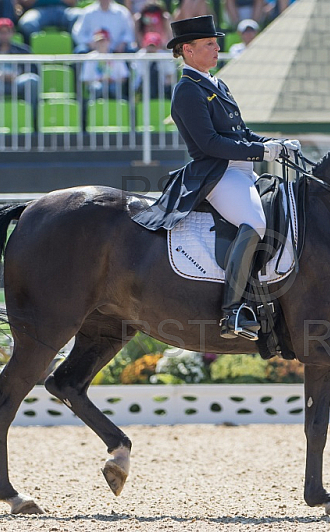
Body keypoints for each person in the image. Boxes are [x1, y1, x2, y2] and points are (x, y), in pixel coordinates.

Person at [131, 15, 300, 341]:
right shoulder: (187, 91)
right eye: (209, 44)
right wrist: (261, 153)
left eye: (215, 42)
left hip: (239, 170)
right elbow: (210, 143)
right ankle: (232, 311)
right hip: (217, 172)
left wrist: (270, 143)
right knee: (255, 224)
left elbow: (240, 132)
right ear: (187, 50)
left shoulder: (216, 84)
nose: (216, 48)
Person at [0, 18, 39, 111]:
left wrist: (17, 75)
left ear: (12, 33)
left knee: (32, 80)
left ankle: (33, 117)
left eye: (7, 32)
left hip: (17, 81)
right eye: (1, 32)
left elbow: (33, 69)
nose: (4, 35)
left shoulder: (22, 50)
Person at [79, 29, 129, 100]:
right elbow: (85, 80)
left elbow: (124, 77)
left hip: (113, 84)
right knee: (98, 88)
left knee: (114, 89)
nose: (102, 44)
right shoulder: (89, 58)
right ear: (95, 43)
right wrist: (99, 80)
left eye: (104, 41)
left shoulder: (116, 57)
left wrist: (112, 80)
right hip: (95, 85)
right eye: (99, 41)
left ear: (109, 41)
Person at [132, 30, 175, 99]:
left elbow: (170, 74)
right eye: (150, 46)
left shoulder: (164, 56)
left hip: (162, 85)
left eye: (154, 46)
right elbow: (140, 74)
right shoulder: (139, 56)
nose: (151, 49)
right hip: (143, 84)